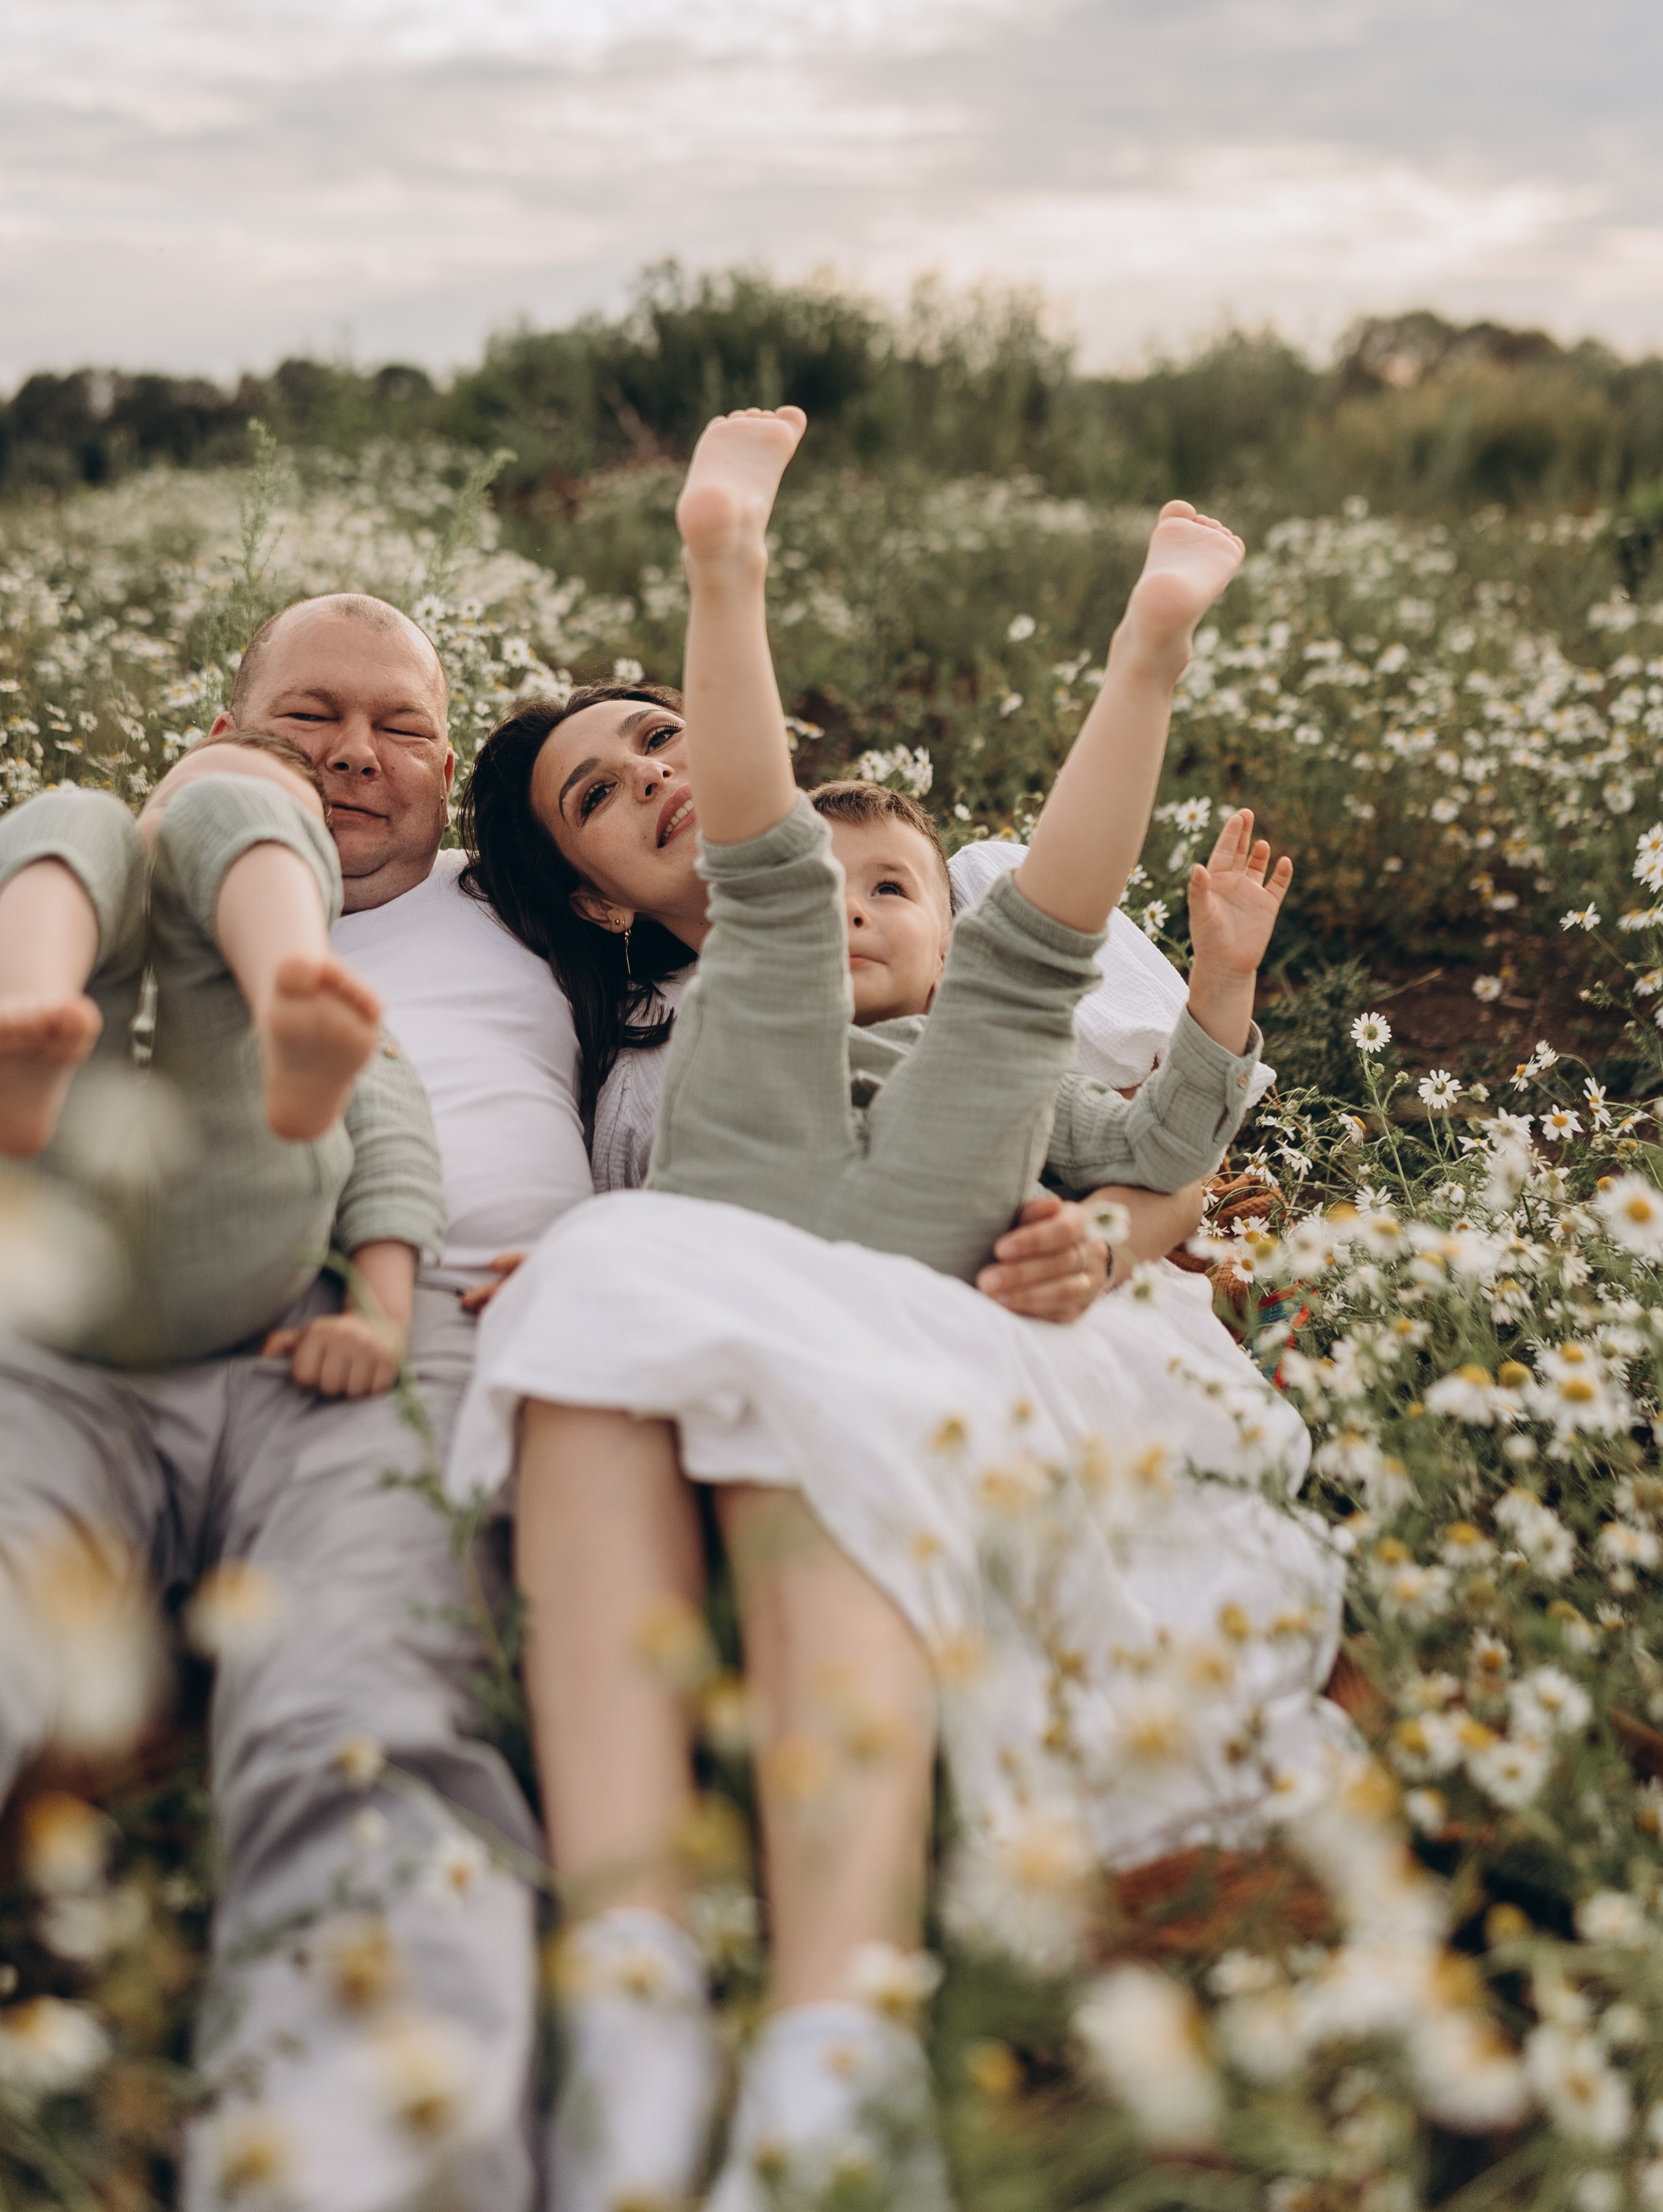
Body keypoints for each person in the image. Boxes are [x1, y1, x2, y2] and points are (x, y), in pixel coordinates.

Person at [450, 462, 1346, 2212]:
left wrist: (1106, 1229)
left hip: (938, 1247)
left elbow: (1141, 1139)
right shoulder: (635, 1061)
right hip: (739, 1238)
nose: (653, 773)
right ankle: (641, 1998)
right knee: (643, 1236)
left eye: (661, 735)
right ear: (596, 897)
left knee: (1001, 973)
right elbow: (754, 881)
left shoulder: (945, 940)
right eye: (598, 788)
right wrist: (542, 1259)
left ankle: (824, 2040)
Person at [0, 596, 584, 2212]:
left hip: (379, 1328)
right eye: (308, 716)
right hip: (52, 1332)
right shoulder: (104, 897)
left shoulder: (532, 903)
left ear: (453, 765)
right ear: (224, 738)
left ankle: (360, 2171)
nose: (355, 755)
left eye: (402, 726)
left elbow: (807, 893)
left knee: (373, 1714)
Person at [640, 403, 1284, 1278]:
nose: (851, 913)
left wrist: (1222, 980)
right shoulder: (716, 1017)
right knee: (775, 899)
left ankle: (1147, 662)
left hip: (849, 1200)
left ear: (947, 954)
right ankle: (724, 563)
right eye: (826, 885)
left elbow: (1164, 1153)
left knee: (1019, 969)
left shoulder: (992, 1057)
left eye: (890, 890)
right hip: (772, 1179)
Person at [0, 728, 442, 1389]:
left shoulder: (329, 1018)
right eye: (179, 808)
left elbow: (394, 1146)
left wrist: (378, 1315)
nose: (185, 840)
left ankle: (279, 969)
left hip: (229, 1243)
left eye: (235, 833)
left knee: (230, 904)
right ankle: (39, 1000)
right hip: (34, 1252)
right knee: (72, 817)